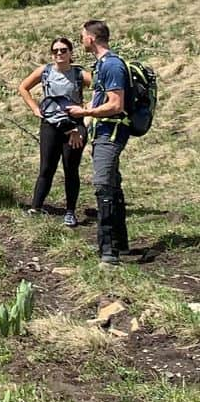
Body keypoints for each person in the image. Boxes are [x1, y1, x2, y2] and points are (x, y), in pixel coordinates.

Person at [67, 19, 130, 267]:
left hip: (111, 134)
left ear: (91, 38)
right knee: (113, 184)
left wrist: (85, 114)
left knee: (103, 186)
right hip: (102, 132)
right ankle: (120, 243)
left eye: (82, 35)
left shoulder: (113, 65)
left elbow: (116, 104)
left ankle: (107, 252)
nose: (81, 39)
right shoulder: (101, 64)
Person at [18, 37, 91, 226]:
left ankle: (70, 211)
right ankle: (35, 207)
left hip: (74, 127)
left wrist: (87, 111)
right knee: (46, 167)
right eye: (55, 50)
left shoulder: (79, 73)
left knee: (70, 169)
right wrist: (35, 109)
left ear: (71, 53)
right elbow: (23, 87)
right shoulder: (45, 71)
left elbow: (102, 91)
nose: (59, 54)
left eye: (63, 50)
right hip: (50, 125)